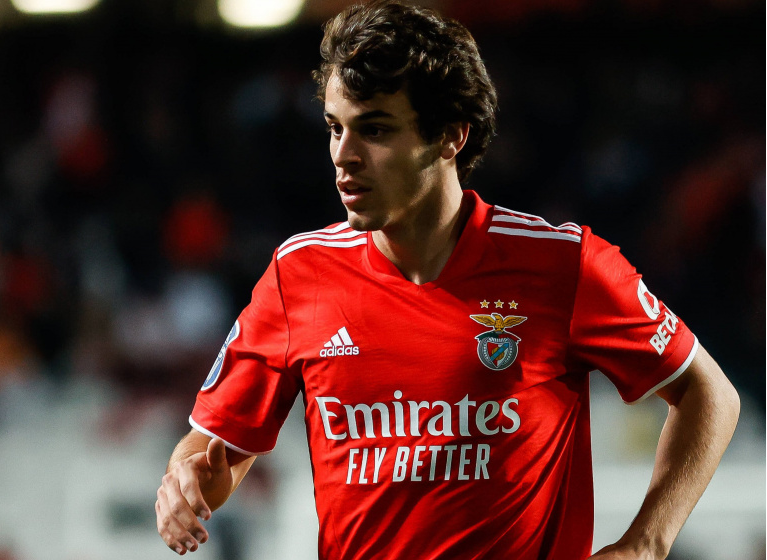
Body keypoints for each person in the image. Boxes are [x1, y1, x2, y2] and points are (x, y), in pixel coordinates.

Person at [154, 1, 741, 558]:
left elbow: (709, 395)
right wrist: (188, 480)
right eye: (335, 127)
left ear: (450, 135)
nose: (343, 155)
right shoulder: (298, 274)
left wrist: (645, 543)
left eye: (375, 130)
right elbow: (216, 451)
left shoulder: (562, 264)